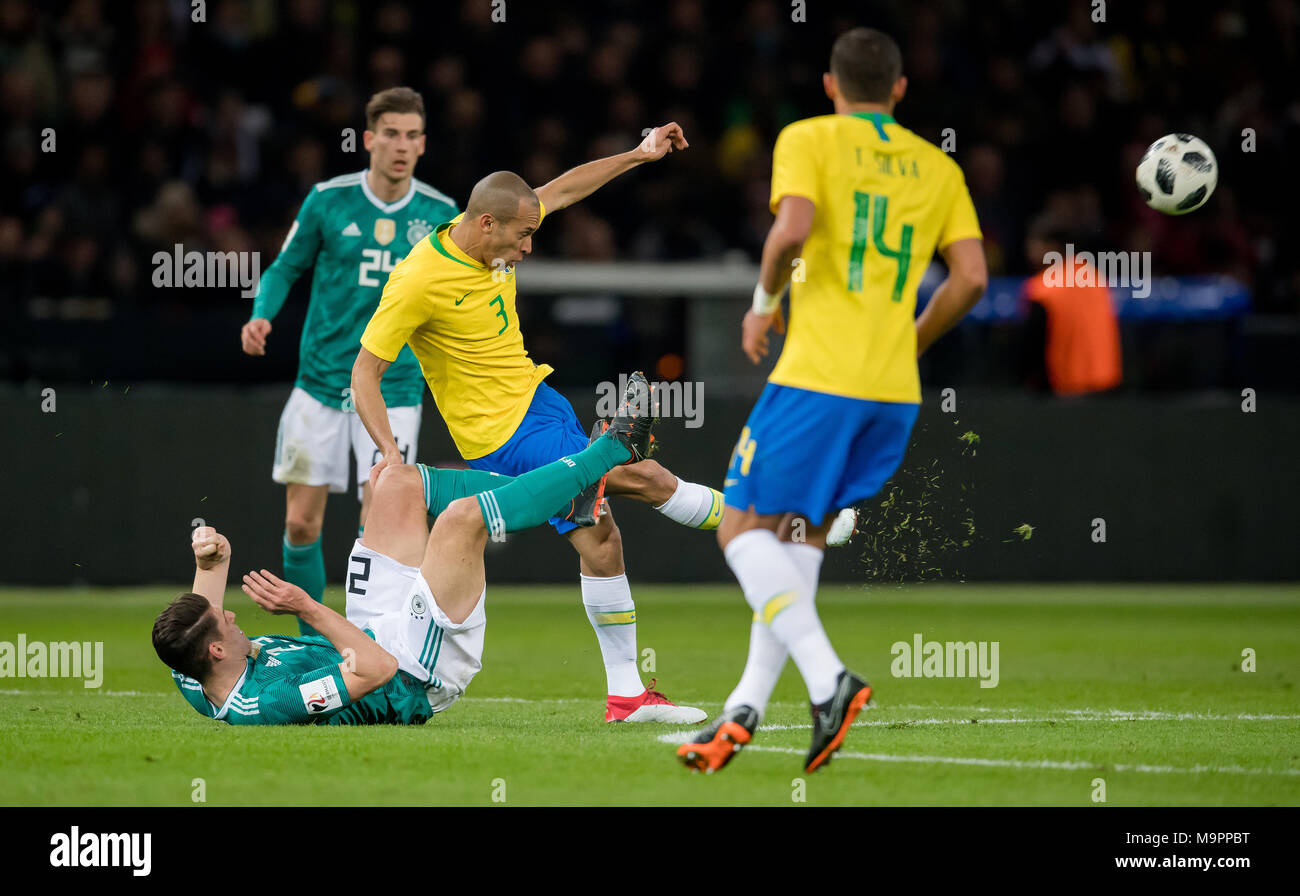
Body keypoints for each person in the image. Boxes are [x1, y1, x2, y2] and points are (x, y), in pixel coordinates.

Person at [678, 27, 988, 773]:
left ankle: (830, 681)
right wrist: (910, 341)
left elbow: (792, 230)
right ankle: (743, 713)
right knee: (797, 537)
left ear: (830, 85)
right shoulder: (936, 166)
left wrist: (762, 303)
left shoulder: (809, 138)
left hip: (818, 376)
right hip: (893, 391)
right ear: (901, 90)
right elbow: (973, 278)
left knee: (739, 528)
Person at [350, 126, 718, 724]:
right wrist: (389, 451)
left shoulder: (492, 226)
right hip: (508, 437)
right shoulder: (418, 281)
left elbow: (566, 189)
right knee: (642, 476)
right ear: (489, 225)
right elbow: (364, 373)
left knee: (601, 540)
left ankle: (626, 696)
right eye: (523, 237)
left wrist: (638, 154)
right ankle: (774, 525)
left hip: (539, 403)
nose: (527, 249)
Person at [153, 373, 660, 725]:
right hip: (416, 671)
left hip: (371, 628)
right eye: (227, 624)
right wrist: (305, 605)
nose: (235, 617)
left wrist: (209, 559)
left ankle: (564, 491)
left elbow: (206, 607)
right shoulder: (271, 703)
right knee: (463, 521)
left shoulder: (194, 672)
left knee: (395, 483)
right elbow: (378, 670)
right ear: (217, 650)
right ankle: (608, 454)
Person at [239, 86, 458, 634]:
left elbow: (457, 295)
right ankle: (315, 639)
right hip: (320, 382)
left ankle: (376, 644)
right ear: (368, 139)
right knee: (300, 522)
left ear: (423, 143)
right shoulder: (327, 200)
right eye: (390, 134)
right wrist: (262, 313)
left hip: (395, 386)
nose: (401, 145)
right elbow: (285, 267)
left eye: (411, 136)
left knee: (380, 518)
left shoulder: (440, 214)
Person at [1019, 214, 1123, 395]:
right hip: (1108, 390)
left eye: (1034, 244)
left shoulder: (1041, 288)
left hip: (1064, 393)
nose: (1029, 251)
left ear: (1052, 247)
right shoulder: (1094, 276)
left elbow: (1031, 349)